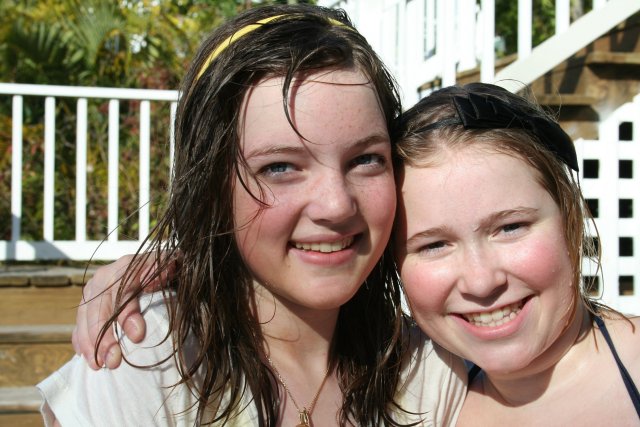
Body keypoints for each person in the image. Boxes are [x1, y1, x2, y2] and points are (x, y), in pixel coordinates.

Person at [37, 4, 466, 426]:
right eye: (280, 167)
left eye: (366, 159)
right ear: (212, 187)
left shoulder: (429, 372)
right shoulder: (149, 359)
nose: (336, 205)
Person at [393, 82, 640, 424]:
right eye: (434, 245)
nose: (481, 282)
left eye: (510, 227)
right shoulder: (412, 408)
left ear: (570, 217)